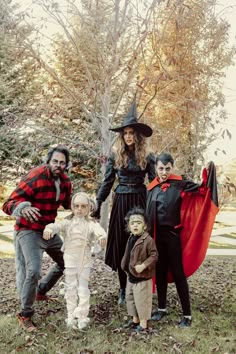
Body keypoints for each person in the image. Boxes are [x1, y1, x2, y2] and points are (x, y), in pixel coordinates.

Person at [91, 101, 156, 304]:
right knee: (121, 244)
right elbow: (108, 181)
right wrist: (98, 202)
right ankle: (122, 288)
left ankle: (137, 284)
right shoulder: (115, 155)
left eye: (132, 133)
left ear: (137, 135)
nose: (128, 136)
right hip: (120, 202)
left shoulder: (147, 156)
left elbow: (154, 182)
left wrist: (161, 203)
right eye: (125, 133)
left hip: (139, 201)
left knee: (138, 243)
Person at [2, 146, 72, 331]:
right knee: (33, 270)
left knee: (66, 261)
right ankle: (25, 314)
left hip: (48, 230)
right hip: (28, 230)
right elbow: (8, 204)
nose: (58, 165)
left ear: (66, 165)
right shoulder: (35, 176)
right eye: (55, 161)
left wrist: (87, 205)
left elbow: (68, 203)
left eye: (62, 162)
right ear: (49, 161)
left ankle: (41, 291)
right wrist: (23, 207)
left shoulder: (65, 181)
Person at [146, 152, 218, 328]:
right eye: (161, 168)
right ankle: (161, 308)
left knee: (179, 274)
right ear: (156, 167)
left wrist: (207, 174)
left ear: (172, 167)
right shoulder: (152, 187)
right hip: (156, 237)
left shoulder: (180, 184)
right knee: (160, 272)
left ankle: (187, 315)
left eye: (167, 168)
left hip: (173, 236)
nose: (164, 172)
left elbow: (202, 191)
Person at [43, 192, 107, 330]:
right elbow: (56, 226)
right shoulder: (68, 222)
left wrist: (102, 236)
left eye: (83, 206)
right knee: (70, 286)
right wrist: (49, 228)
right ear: (72, 207)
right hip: (70, 259)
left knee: (83, 287)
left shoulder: (91, 223)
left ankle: (82, 316)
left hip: (84, 259)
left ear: (89, 207)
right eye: (76, 206)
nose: (79, 209)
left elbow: (99, 230)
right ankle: (71, 314)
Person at [121, 207, 158, 332]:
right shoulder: (131, 238)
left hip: (142, 278)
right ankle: (135, 320)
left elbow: (154, 256)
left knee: (142, 301)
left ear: (145, 226)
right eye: (132, 223)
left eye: (139, 222)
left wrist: (144, 265)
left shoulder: (148, 240)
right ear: (129, 226)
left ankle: (143, 325)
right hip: (131, 276)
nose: (135, 225)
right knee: (131, 299)